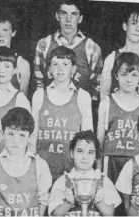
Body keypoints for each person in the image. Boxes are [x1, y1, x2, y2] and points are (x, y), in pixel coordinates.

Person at [32, 46, 93, 180]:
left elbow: (88, 138)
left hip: (71, 169)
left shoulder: (82, 96)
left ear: (74, 69)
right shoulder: (39, 95)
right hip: (42, 167)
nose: (60, 69)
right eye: (55, 64)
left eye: (65, 64)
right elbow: (33, 134)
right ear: (49, 69)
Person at [0, 108, 52, 216]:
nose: (15, 140)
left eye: (22, 135)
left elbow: (43, 201)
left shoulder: (40, 165)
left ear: (30, 137)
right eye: (11, 134)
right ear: (2, 134)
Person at [97, 52, 139, 180]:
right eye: (124, 74)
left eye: (134, 75)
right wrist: (98, 169)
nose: (129, 80)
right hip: (111, 161)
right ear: (116, 75)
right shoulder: (106, 102)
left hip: (137, 161)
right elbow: (99, 141)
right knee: (110, 199)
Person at [34, 0, 102, 100]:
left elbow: (96, 86)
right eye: (63, 13)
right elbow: (38, 82)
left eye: (74, 14)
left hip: (79, 109)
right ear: (57, 16)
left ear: (80, 18)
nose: (68, 19)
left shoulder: (91, 48)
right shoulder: (44, 44)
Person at [49, 131, 121, 216]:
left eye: (90, 152)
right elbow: (55, 215)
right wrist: (67, 203)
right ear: (72, 153)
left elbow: (110, 214)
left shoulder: (102, 180)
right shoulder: (63, 181)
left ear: (96, 156)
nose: (85, 157)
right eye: (80, 151)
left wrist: (100, 203)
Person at [99, 10, 139, 104]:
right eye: (134, 23)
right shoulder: (111, 58)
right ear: (125, 26)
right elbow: (104, 96)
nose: (137, 29)